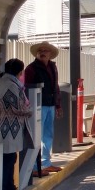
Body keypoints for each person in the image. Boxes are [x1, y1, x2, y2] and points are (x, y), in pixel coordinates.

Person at [0, 59, 33, 190]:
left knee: (9, 161)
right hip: (8, 130)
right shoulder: (9, 84)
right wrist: (30, 112)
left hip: (5, 129)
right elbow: (17, 107)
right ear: (20, 72)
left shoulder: (2, 82)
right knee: (8, 162)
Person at [22, 41, 62, 174]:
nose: (43, 52)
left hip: (50, 105)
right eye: (40, 51)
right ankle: (34, 166)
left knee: (48, 135)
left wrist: (58, 105)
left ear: (50, 54)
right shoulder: (31, 68)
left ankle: (46, 163)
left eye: (45, 50)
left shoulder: (53, 67)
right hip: (37, 106)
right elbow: (26, 89)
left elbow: (55, 86)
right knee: (36, 136)